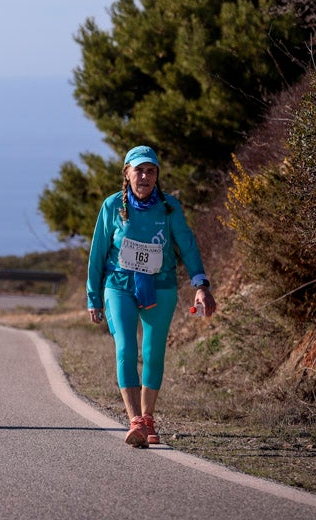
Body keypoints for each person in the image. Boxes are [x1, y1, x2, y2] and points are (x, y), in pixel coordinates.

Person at [86, 145, 216, 448]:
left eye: (151, 171)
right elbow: (97, 253)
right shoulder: (112, 206)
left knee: (154, 352)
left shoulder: (169, 207)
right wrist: (93, 297)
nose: (145, 176)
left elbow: (187, 244)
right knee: (126, 349)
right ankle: (134, 422)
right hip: (119, 284)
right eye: (139, 170)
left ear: (157, 176)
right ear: (127, 173)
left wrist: (201, 284)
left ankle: (148, 418)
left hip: (161, 285)